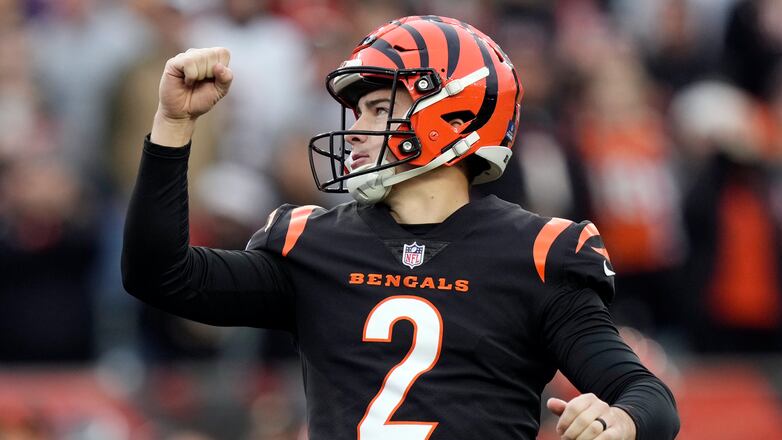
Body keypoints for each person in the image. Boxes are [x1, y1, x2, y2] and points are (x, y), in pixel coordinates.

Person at [123, 16, 679, 440]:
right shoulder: (313, 244)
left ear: (454, 113)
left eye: (375, 108)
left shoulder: (535, 254)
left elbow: (647, 395)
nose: (356, 129)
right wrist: (173, 125)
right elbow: (160, 275)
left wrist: (618, 421)